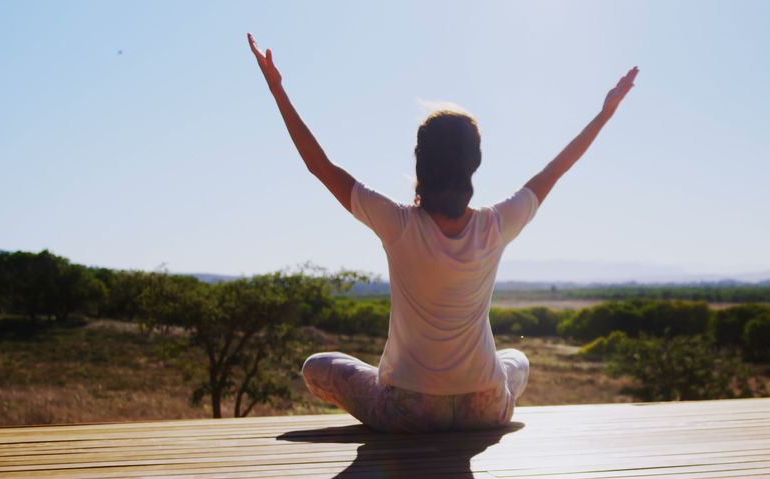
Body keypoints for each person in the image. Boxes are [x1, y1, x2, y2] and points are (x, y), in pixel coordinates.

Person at [248, 33, 637, 432]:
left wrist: (278, 91)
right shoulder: (497, 225)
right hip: (484, 406)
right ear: (474, 164)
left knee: (317, 367)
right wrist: (604, 114)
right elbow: (556, 169)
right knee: (517, 360)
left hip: (409, 412)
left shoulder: (397, 224)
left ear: (421, 162)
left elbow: (320, 166)